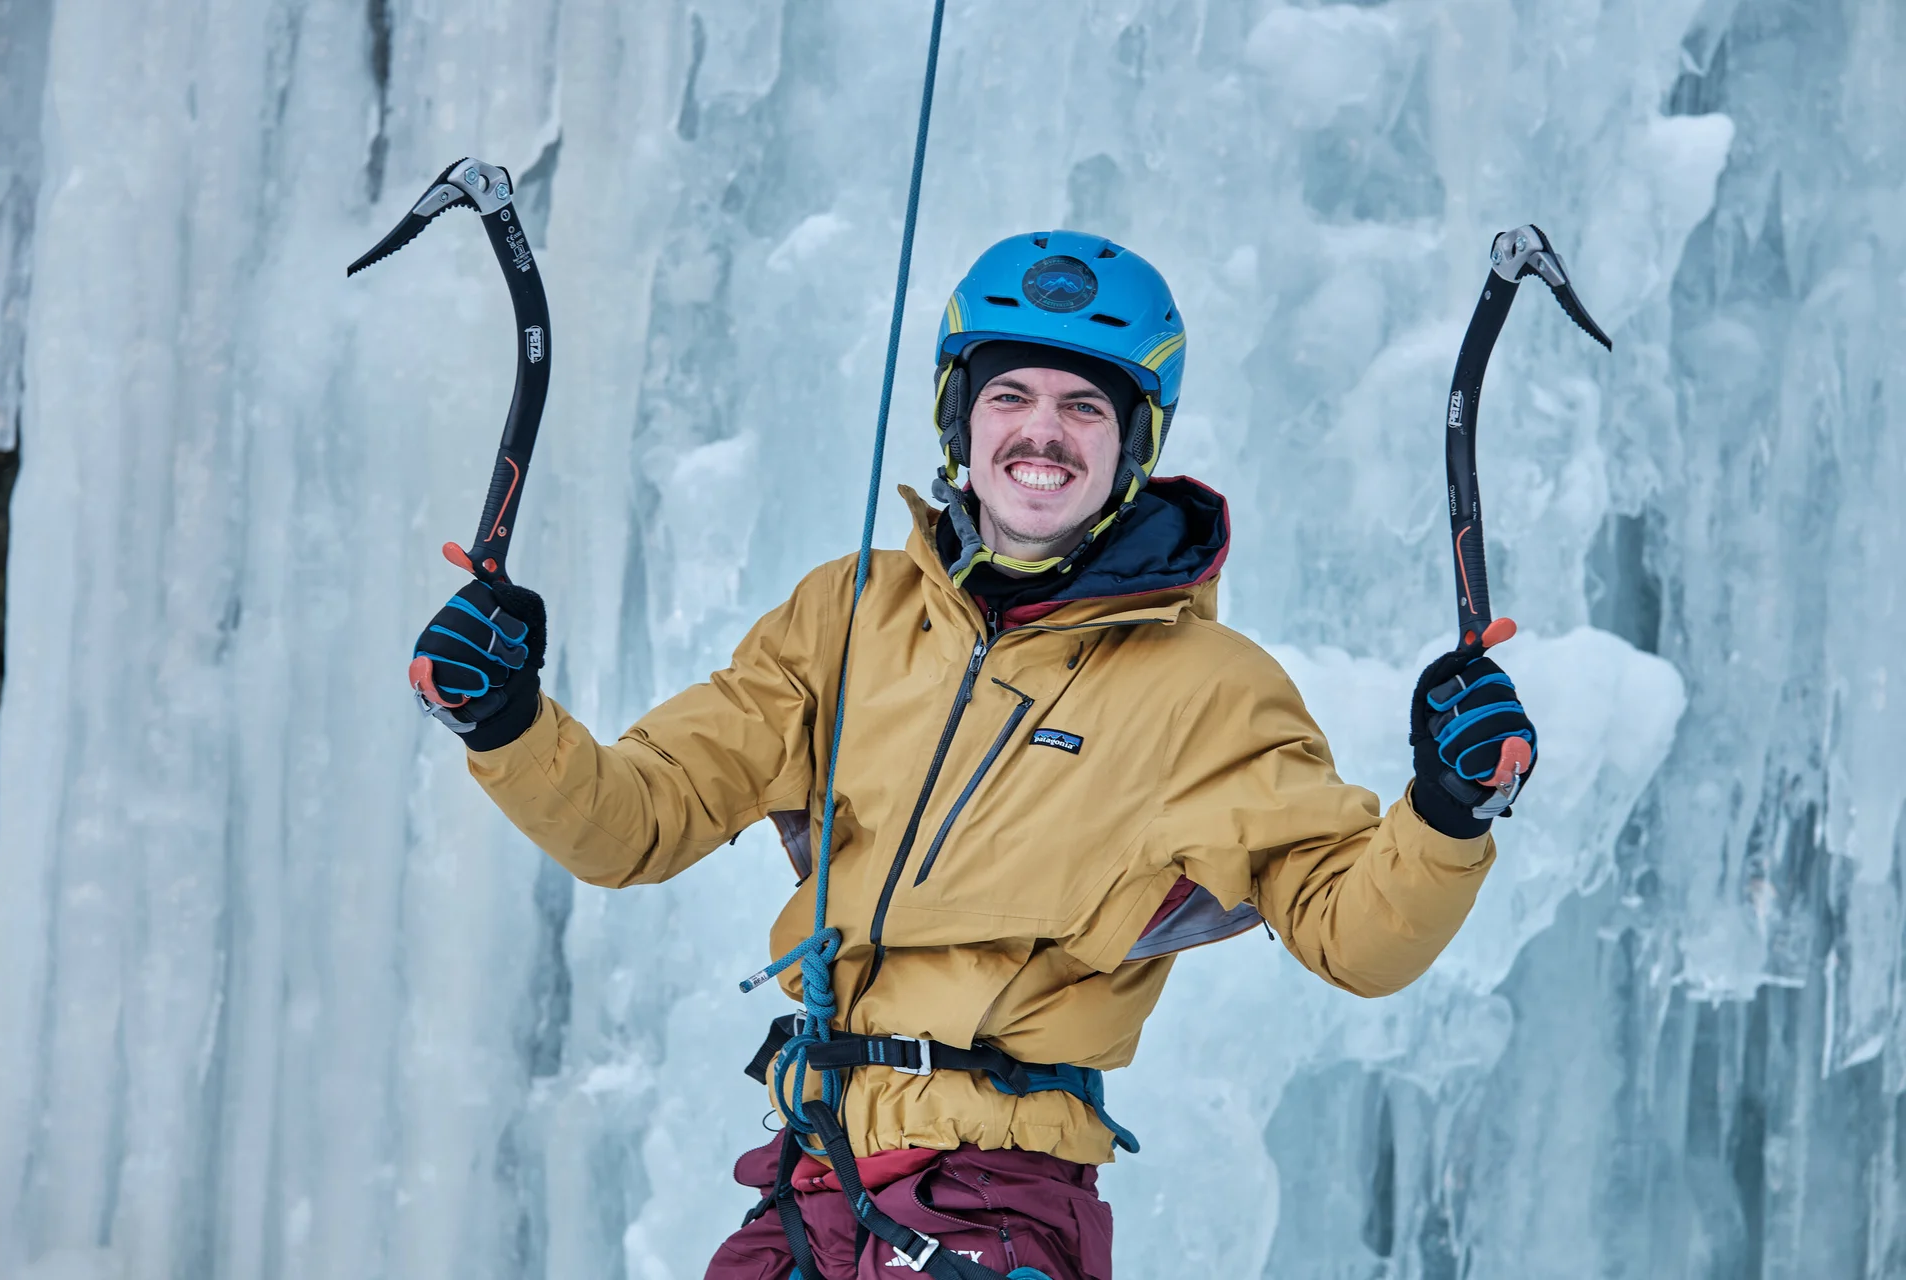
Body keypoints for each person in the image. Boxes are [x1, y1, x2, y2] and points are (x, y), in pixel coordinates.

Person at [409, 231, 1537, 1279]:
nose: (1040, 432)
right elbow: (636, 821)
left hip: (1001, 1199)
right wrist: (505, 720)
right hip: (814, 1181)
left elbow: (1353, 934)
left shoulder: (1211, 692)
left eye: (1084, 406)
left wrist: (1448, 806)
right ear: (960, 419)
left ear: (1134, 444)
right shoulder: (847, 614)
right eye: (1010, 395)